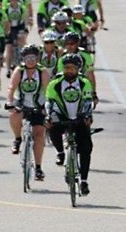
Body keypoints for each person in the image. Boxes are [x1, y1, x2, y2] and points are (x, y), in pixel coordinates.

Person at [45, 53, 94, 195]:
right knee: (52, 127)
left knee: (86, 148)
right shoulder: (55, 83)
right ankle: (60, 152)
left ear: (78, 68)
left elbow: (87, 101)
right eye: (67, 68)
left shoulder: (84, 82)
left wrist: (87, 115)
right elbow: (50, 102)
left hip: (79, 117)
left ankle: (84, 181)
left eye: (73, 68)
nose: (69, 71)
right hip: (62, 115)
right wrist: (48, 116)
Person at [6, 44, 49, 180]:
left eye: (33, 57)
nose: (30, 60)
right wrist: (9, 101)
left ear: (38, 58)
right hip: (22, 102)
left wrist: (48, 106)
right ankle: (17, 139)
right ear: (23, 58)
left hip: (38, 104)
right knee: (14, 113)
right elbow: (12, 88)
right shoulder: (20, 70)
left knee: (39, 135)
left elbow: (48, 90)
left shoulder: (42, 71)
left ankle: (38, 168)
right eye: (27, 57)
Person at [56, 32, 98, 108]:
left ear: (77, 43)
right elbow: (60, 76)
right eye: (67, 44)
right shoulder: (62, 57)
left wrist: (93, 94)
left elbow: (90, 75)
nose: (69, 46)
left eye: (72, 43)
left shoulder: (85, 55)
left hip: (82, 84)